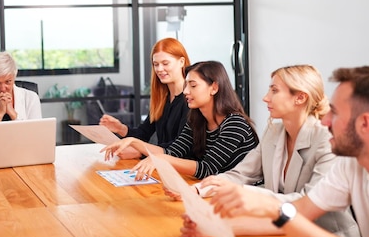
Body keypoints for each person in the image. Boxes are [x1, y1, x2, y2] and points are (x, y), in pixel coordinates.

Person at [182, 66, 369, 237]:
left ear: (365, 124)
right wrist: (214, 226)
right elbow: (297, 214)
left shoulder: (329, 145)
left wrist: (269, 205)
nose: (325, 120)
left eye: (335, 113)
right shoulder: (350, 165)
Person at [102, 61, 258, 180]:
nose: (185, 91)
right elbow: (173, 152)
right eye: (186, 86)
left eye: (193, 86)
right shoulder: (197, 120)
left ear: (214, 88)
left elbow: (207, 168)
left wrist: (161, 159)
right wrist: (133, 142)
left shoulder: (235, 124)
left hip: (243, 195)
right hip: (213, 190)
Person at [99, 37, 190, 159]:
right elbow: (144, 133)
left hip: (182, 170)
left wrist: (141, 152)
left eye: (165, 63)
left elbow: (181, 147)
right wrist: (121, 128)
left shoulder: (190, 100)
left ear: (181, 62)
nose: (159, 69)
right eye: (155, 64)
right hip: (162, 166)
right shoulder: (163, 99)